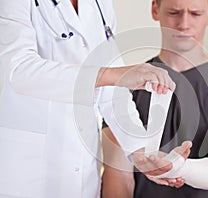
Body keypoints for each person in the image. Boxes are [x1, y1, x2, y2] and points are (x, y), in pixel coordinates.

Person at [0, 0, 177, 197]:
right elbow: (19, 70)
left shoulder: (100, 4)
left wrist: (140, 152)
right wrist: (112, 75)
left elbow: (112, 93)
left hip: (83, 169)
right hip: (30, 171)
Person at [101, 0, 208, 197]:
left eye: (195, 14)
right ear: (155, 10)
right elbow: (118, 177)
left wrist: (175, 167)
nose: (184, 24)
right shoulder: (127, 86)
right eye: (174, 12)